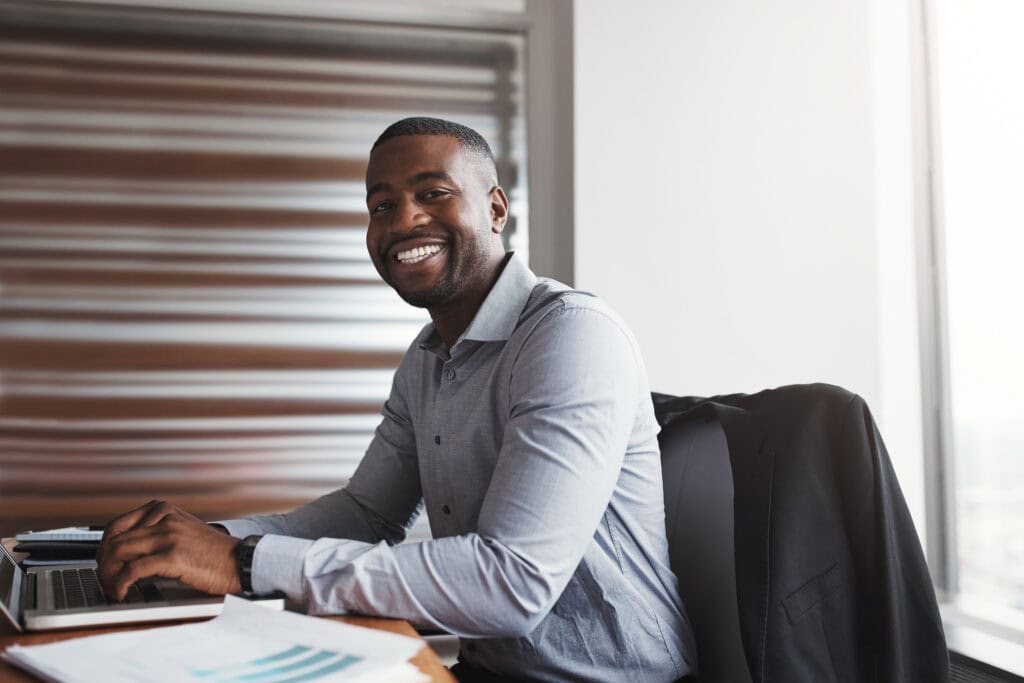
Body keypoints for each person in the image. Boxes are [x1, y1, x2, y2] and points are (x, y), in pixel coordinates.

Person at [97, 117, 695, 682]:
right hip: (488, 670)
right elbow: (365, 515)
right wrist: (193, 542)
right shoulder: (428, 358)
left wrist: (244, 562)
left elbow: (513, 583)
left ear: (494, 208)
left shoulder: (570, 334)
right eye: (381, 206)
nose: (404, 219)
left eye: (432, 193)